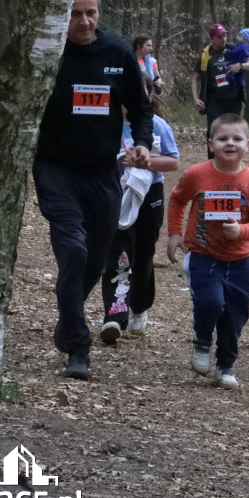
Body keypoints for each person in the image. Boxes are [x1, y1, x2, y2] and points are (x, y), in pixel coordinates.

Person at [33, 0, 153, 381]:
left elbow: (140, 109)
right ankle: (78, 347)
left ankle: (66, 321)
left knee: (95, 259)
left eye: (91, 13)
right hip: (56, 170)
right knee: (74, 252)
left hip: (104, 173)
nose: (84, 22)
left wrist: (140, 143)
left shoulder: (117, 53)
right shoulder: (47, 54)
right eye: (75, 13)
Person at [167, 113, 249, 389]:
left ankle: (226, 366)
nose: (230, 144)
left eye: (237, 139)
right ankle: (202, 340)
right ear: (211, 143)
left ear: (248, 144)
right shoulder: (197, 174)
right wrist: (175, 233)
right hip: (203, 255)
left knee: (234, 316)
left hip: (240, 261)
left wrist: (242, 231)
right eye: (223, 138)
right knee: (210, 302)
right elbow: (177, 199)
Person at [99, 95, 180, 344]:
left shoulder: (158, 125)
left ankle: (139, 306)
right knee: (116, 251)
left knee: (143, 253)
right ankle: (114, 314)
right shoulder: (107, 123)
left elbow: (173, 161)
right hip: (116, 192)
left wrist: (144, 163)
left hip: (149, 194)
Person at [192, 24, 249, 145]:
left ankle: (232, 160)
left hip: (234, 99)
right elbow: (195, 77)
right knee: (214, 131)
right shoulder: (206, 55)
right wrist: (195, 98)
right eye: (220, 36)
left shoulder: (234, 49)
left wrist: (240, 66)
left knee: (233, 131)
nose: (224, 39)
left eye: (225, 35)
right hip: (214, 100)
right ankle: (212, 160)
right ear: (211, 39)